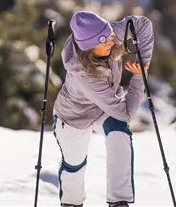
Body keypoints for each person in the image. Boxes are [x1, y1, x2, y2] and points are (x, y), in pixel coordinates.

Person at [53, 11, 154, 207]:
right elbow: (125, 113)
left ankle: (119, 201)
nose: (112, 42)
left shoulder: (107, 35)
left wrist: (143, 62)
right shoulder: (84, 75)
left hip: (104, 108)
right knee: (74, 165)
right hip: (73, 117)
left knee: (119, 133)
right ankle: (71, 203)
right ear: (89, 49)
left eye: (110, 36)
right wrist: (139, 77)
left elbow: (143, 25)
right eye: (104, 41)